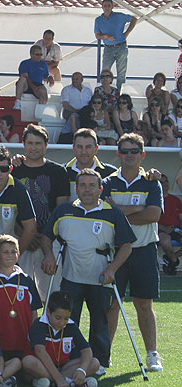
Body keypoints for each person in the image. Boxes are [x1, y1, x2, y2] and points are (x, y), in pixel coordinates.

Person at [41, 168, 135, 373]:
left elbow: (126, 245)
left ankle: (100, 361)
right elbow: (47, 236)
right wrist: (48, 254)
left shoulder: (113, 213)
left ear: (100, 189)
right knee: (67, 319)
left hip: (101, 277)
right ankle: (68, 358)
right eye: (82, 185)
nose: (87, 189)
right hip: (71, 277)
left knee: (100, 321)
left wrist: (112, 269)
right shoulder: (64, 210)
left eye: (92, 185)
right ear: (76, 188)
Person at [101, 133, 164, 372]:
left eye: (134, 152)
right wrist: (136, 209)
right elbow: (107, 214)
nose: (129, 156)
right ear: (118, 154)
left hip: (144, 251)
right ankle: (104, 356)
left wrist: (120, 211)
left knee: (143, 304)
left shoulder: (151, 182)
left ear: (142, 155)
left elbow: (153, 215)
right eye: (124, 151)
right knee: (112, 305)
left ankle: (152, 354)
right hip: (115, 252)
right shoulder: (108, 182)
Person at [12, 124, 70, 301]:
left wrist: (43, 237)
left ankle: (48, 328)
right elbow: (9, 208)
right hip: (20, 239)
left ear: (46, 145)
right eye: (30, 143)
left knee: (51, 294)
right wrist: (25, 235)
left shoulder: (58, 171)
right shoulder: (15, 170)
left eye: (38, 143)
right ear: (23, 144)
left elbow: (60, 211)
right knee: (20, 294)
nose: (34, 147)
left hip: (49, 240)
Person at [22, 291, 100, 387]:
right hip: (43, 366)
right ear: (48, 311)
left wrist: (82, 370)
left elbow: (86, 350)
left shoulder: (71, 326)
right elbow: (40, 351)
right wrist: (59, 379)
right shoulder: (39, 325)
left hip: (64, 368)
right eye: (58, 318)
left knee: (94, 362)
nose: (62, 323)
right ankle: (68, 382)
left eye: (66, 318)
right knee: (28, 362)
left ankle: (51, 382)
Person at [0, 235, 41, 361]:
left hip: (22, 340)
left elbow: (34, 312)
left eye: (13, 252)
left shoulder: (26, 280)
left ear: (18, 254)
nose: (10, 255)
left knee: (24, 366)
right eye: (5, 252)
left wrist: (34, 336)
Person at [64, 128, 117, 202]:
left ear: (96, 148)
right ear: (73, 148)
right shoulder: (62, 172)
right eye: (80, 147)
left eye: (88, 147)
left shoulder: (111, 173)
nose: (84, 152)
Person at [94, 0, 137, 90]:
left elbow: (134, 19)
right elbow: (97, 35)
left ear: (112, 7)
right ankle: (105, 91)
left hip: (121, 46)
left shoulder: (119, 16)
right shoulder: (98, 20)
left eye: (109, 5)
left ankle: (119, 94)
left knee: (121, 72)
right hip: (108, 48)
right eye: (105, 5)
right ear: (102, 7)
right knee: (105, 71)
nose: (107, 7)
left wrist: (127, 33)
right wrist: (106, 36)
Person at [14, 45, 53, 109]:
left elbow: (46, 76)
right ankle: (18, 101)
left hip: (38, 84)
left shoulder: (43, 64)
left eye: (41, 54)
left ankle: (41, 110)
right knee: (22, 79)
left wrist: (50, 78)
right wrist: (33, 87)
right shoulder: (25, 63)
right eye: (37, 54)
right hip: (27, 84)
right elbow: (25, 76)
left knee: (43, 92)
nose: (39, 56)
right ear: (31, 54)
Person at [158, 174, 182, 274]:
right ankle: (173, 262)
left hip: (175, 229)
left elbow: (180, 219)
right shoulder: (154, 200)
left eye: (166, 181)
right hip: (160, 230)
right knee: (165, 241)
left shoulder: (175, 200)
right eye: (162, 182)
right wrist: (164, 227)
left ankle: (171, 260)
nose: (165, 184)